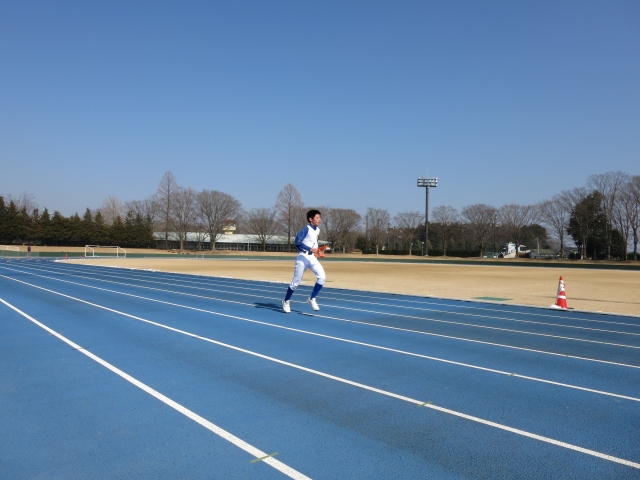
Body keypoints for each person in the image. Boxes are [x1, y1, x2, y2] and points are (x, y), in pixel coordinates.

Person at [282, 209, 326, 313]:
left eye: (320, 218)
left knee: (322, 277)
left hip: (312, 258)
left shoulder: (317, 230)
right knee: (296, 281)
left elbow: (313, 243)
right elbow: (297, 243)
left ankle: (312, 298)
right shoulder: (306, 229)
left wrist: (318, 251)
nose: (319, 220)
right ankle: (286, 301)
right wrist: (310, 249)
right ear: (310, 219)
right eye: (317, 218)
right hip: (303, 257)